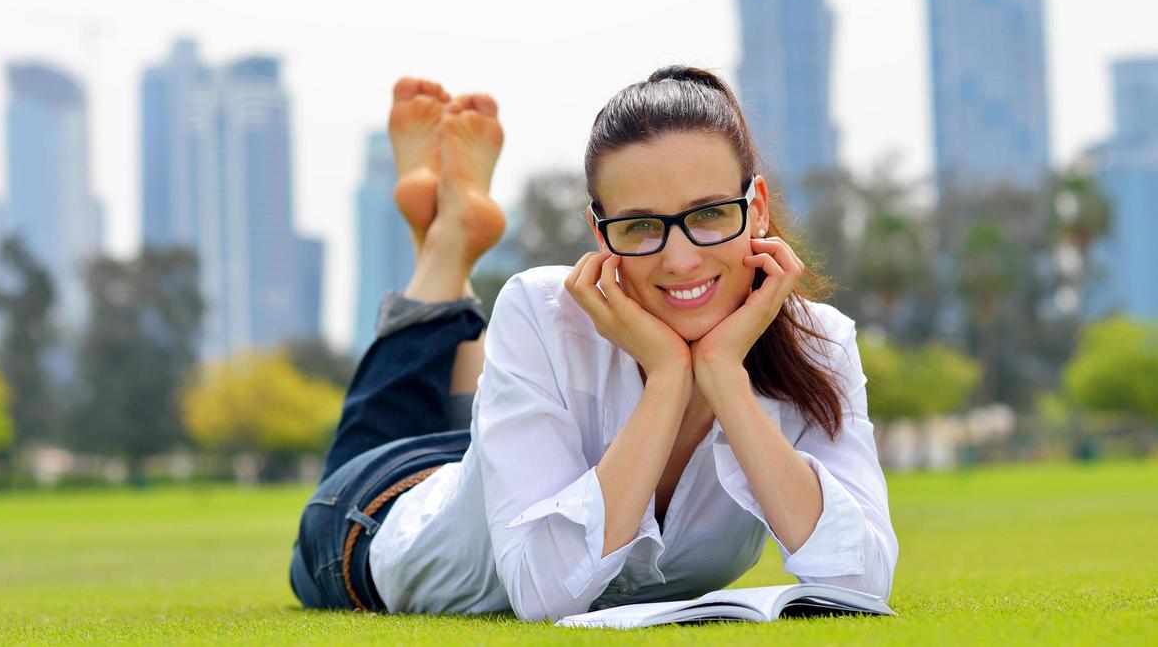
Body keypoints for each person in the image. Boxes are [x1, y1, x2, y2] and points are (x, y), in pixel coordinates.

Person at [289, 68, 897, 622]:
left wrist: (722, 373)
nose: (680, 259)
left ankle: (444, 237)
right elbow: (543, 595)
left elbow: (860, 580)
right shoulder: (542, 310)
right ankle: (444, 250)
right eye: (640, 226)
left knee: (483, 434)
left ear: (756, 208)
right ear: (599, 232)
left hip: (493, 460)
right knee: (374, 440)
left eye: (709, 214)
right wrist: (666, 379)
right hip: (375, 514)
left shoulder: (820, 345)